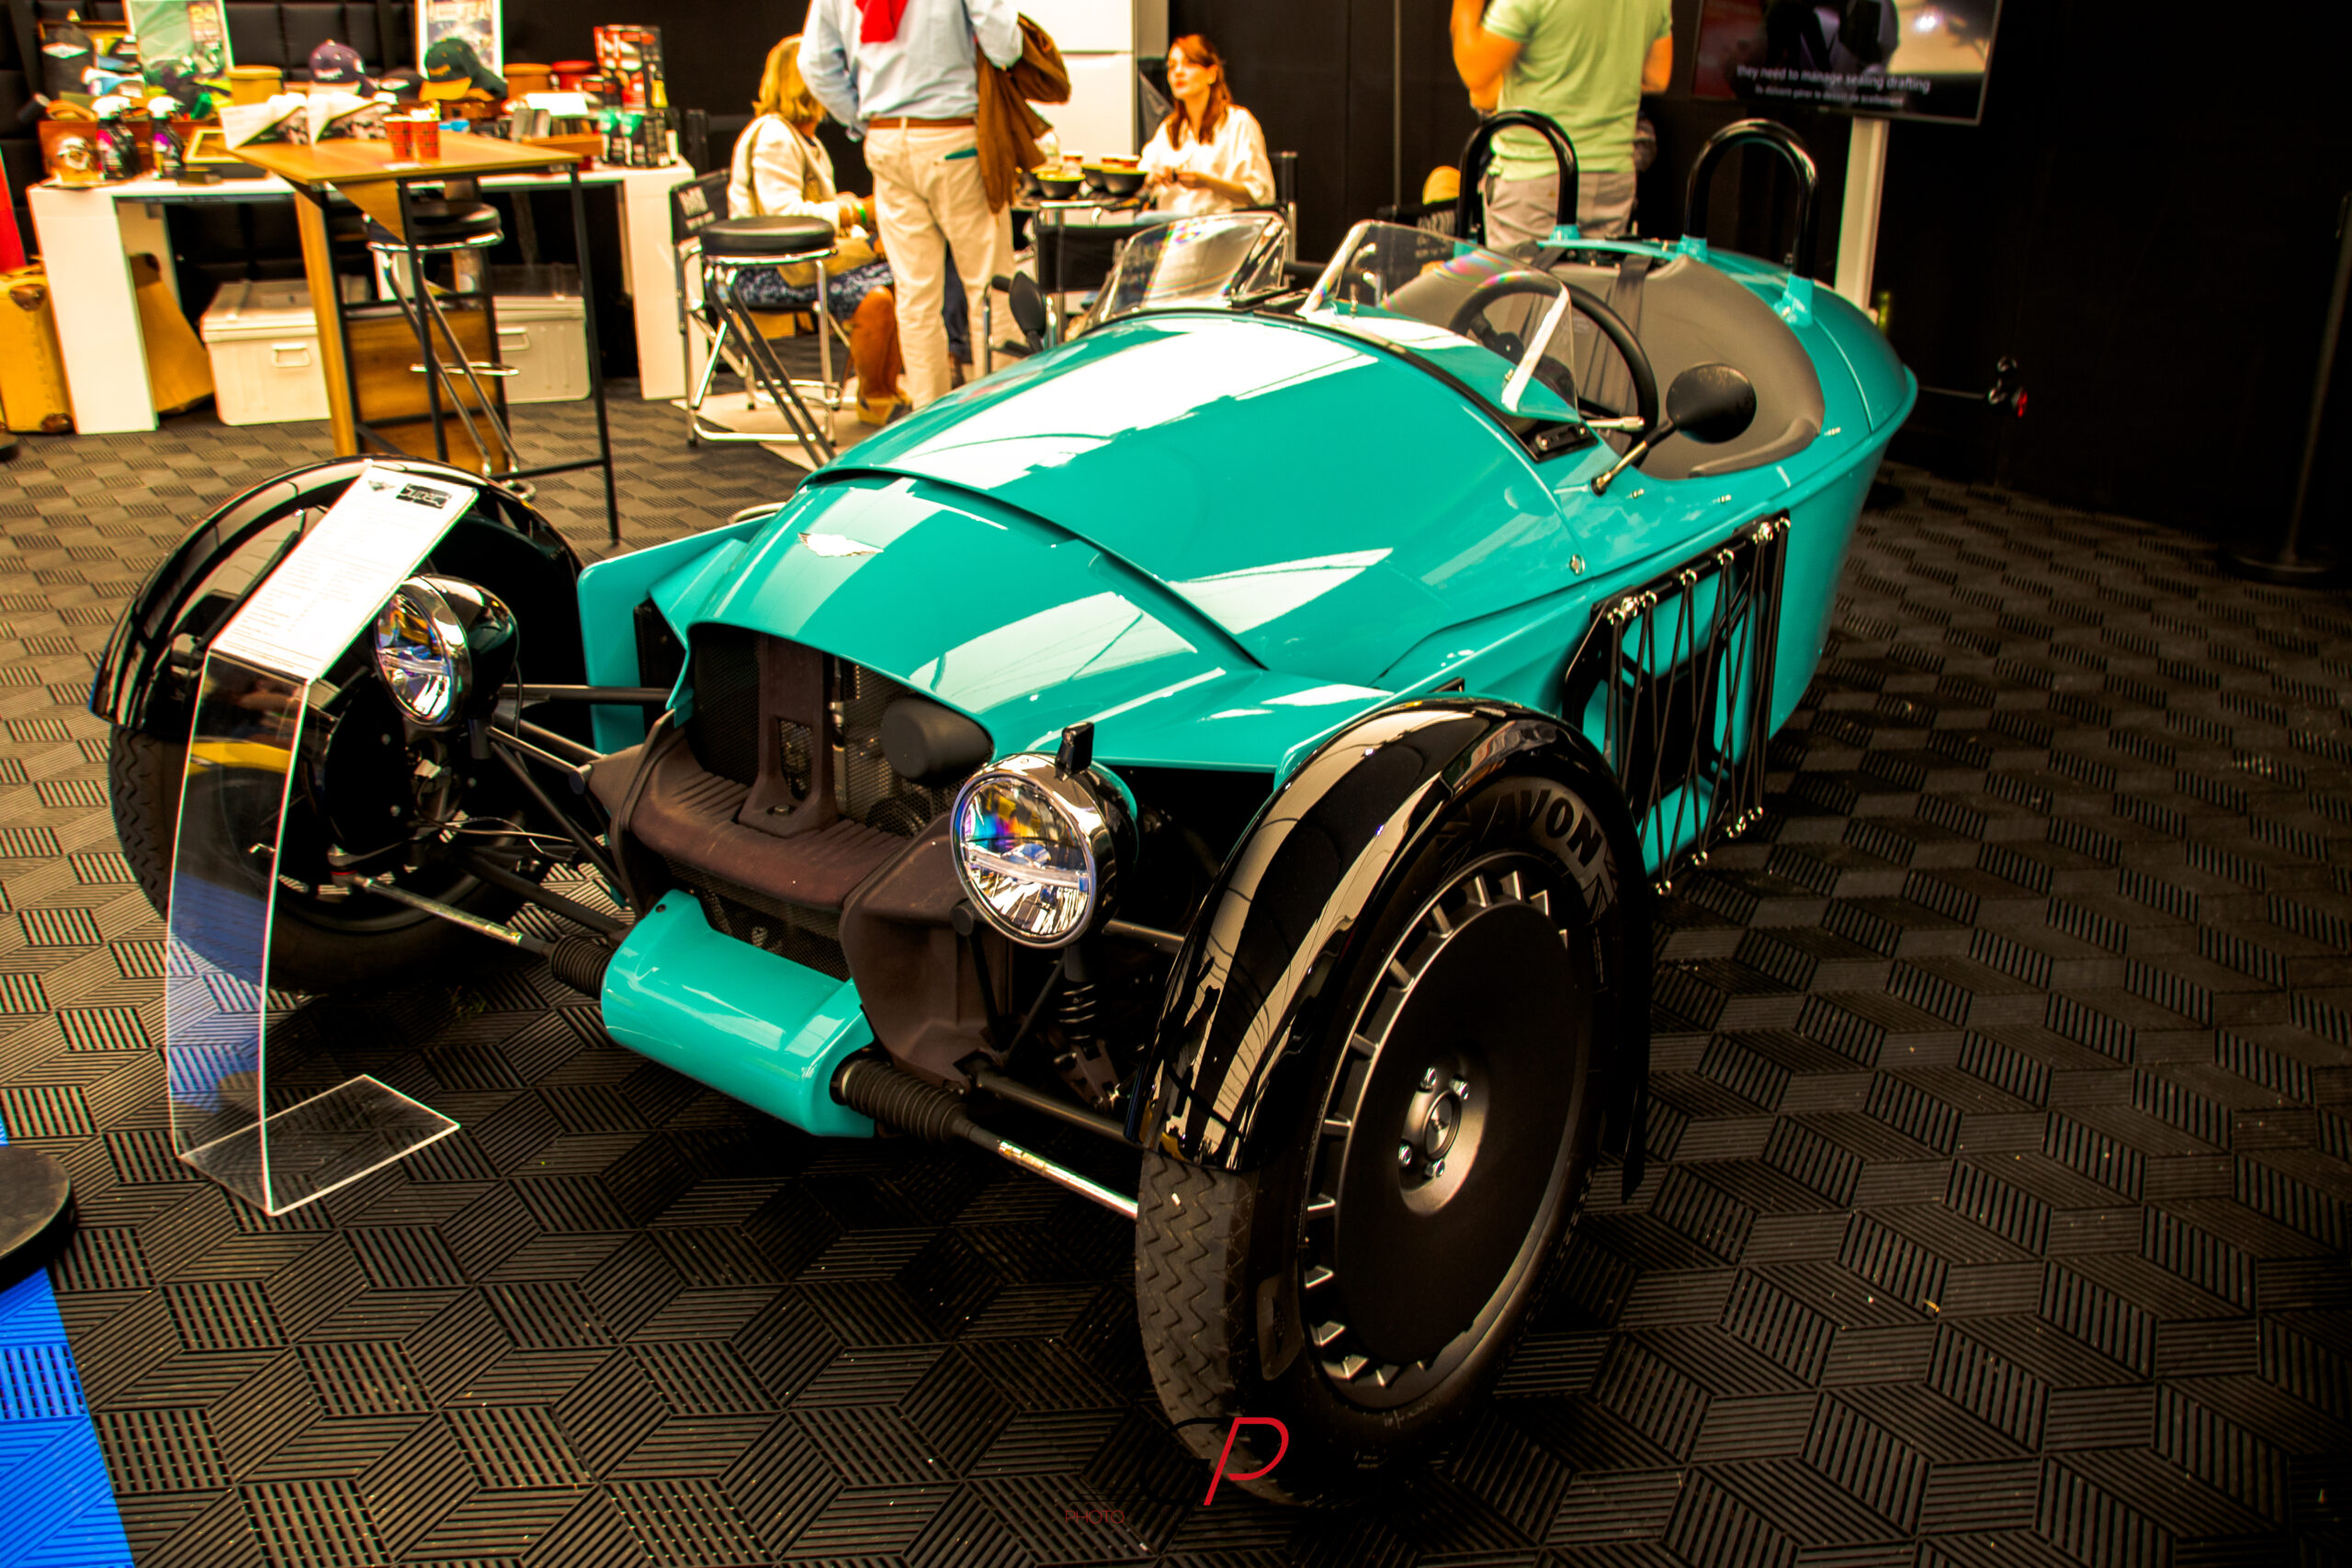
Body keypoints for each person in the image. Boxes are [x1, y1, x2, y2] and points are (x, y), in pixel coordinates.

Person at [799, 0, 1022, 411]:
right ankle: (999, 413)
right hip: (952, 135)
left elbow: (814, 65)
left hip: (885, 140)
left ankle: (928, 420)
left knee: (916, 295)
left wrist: (863, 119)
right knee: (991, 286)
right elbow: (1005, 45)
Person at [728, 36, 905, 424]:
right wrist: (858, 212)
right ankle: (874, 395)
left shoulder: (802, 138)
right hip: (771, 269)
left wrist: (855, 214)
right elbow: (785, 215)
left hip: (802, 258)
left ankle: (885, 389)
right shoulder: (775, 137)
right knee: (876, 299)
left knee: (900, 281)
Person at [1450, 0, 1672, 250]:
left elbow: (1475, 70)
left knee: (1524, 276)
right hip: (1612, 177)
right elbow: (1657, 77)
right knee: (1592, 276)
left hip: (1535, 176)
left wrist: (1465, 9)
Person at [1138, 36, 1275, 216]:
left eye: (1189, 64)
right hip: (1170, 227)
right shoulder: (1169, 129)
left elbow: (1261, 195)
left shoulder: (1238, 123)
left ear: (1212, 74)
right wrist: (1151, 179)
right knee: (1142, 221)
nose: (1178, 72)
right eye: (1172, 66)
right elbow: (1142, 180)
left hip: (1220, 226)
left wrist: (1207, 182)